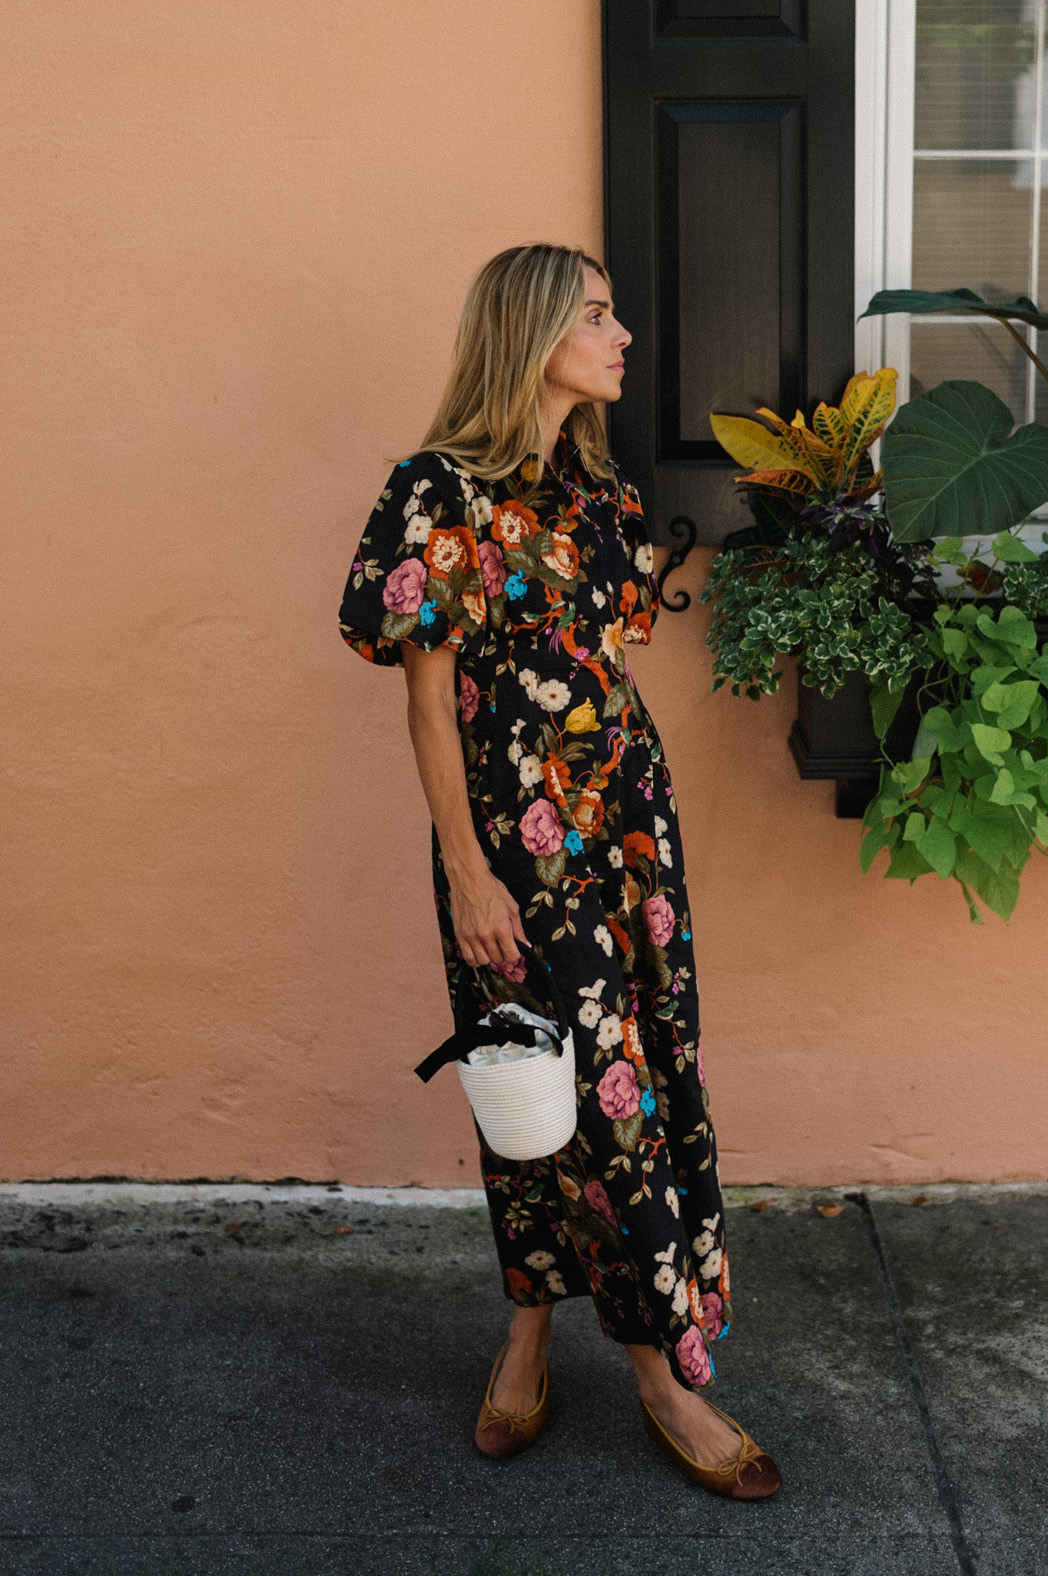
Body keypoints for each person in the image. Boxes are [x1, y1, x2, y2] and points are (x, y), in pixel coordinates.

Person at [339, 243, 780, 1499]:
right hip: (513, 847)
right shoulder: (437, 493)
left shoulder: (601, 491)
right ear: (531, 336)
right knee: (562, 1083)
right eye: (595, 314)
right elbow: (429, 708)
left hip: (629, 823)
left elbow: (610, 666)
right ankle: (659, 1377)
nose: (623, 331)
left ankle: (531, 1331)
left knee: (641, 1066)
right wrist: (471, 876)